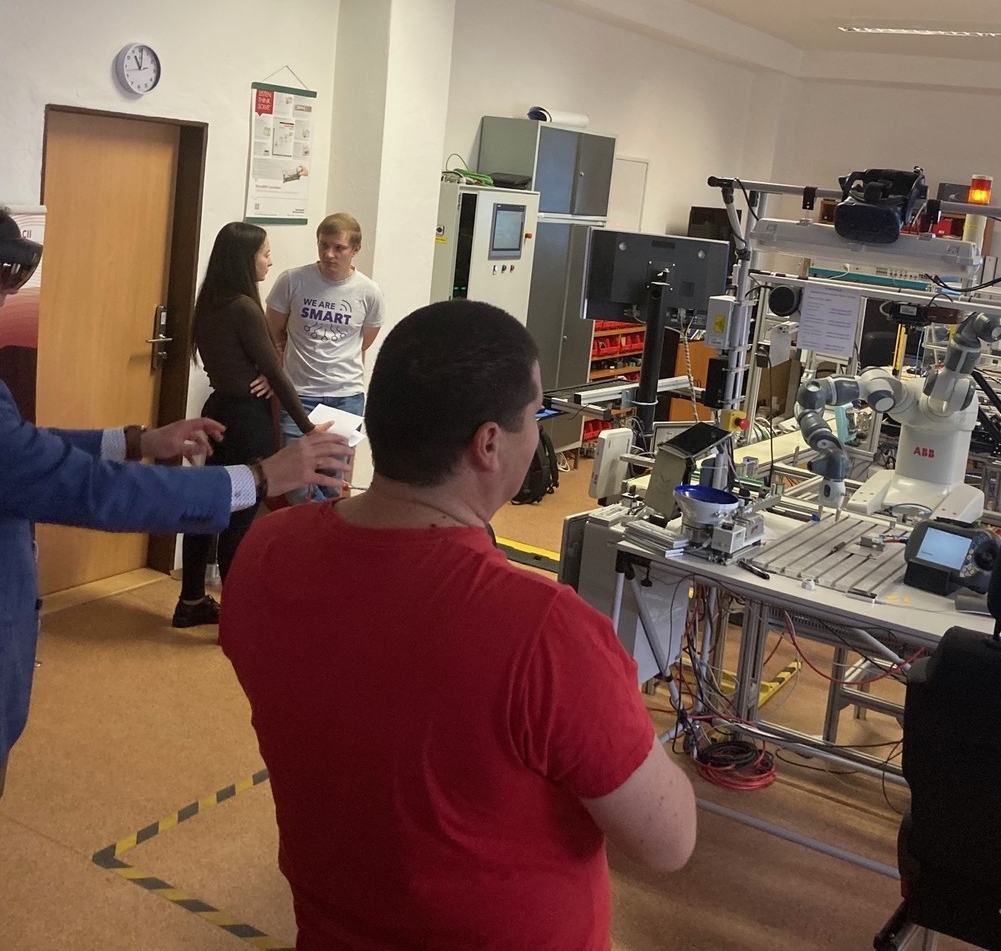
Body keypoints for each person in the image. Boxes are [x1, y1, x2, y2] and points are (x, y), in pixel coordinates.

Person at [0, 179, 350, 923]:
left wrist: (134, 441)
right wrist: (257, 478)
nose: (10, 292)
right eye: (2, 273)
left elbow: (8, 453)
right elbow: (84, 493)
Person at [220, 300, 696, 950]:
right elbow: (669, 843)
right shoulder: (547, 634)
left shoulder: (266, 551)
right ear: (489, 444)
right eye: (535, 416)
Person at [173, 221, 315, 627]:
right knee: (238, 515)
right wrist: (308, 429)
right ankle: (236, 613)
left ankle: (191, 601)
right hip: (246, 419)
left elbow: (255, 366)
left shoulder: (210, 301)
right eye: (265, 253)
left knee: (208, 507)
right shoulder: (243, 306)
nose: (270, 261)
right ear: (244, 259)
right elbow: (276, 372)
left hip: (218, 409)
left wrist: (265, 373)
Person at [265, 212, 384, 501]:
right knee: (296, 482)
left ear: (355, 250)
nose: (329, 254)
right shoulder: (293, 280)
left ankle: (326, 526)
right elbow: (272, 331)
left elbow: (364, 341)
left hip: (345, 395)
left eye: (338, 248)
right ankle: (321, 521)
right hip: (299, 394)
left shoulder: (368, 292)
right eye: (323, 245)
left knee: (333, 481)